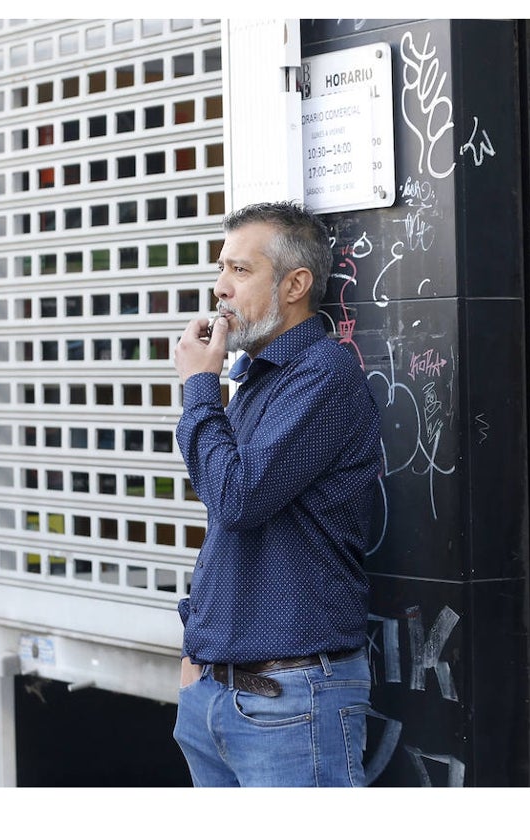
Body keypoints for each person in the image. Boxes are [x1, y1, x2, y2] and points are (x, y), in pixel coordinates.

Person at [170, 200, 382, 786]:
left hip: (289, 703)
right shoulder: (257, 379)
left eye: (240, 271)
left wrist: (198, 387)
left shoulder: (322, 375)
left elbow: (237, 500)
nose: (220, 289)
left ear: (295, 284)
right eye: (221, 269)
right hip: (219, 692)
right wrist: (198, 657)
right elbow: (229, 530)